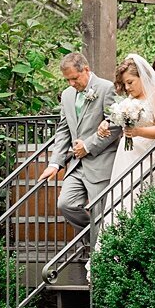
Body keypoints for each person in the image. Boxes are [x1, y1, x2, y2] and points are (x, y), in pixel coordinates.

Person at [41, 51, 118, 237]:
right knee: (65, 204)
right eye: (67, 80)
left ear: (86, 69)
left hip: (101, 162)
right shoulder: (67, 95)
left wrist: (88, 146)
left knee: (102, 214)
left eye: (74, 78)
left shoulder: (106, 88)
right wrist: (54, 163)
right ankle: (94, 239)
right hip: (76, 165)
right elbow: (63, 130)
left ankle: (100, 254)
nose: (71, 84)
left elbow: (115, 124)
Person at [97, 52, 155, 222]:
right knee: (122, 193)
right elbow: (119, 118)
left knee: (141, 194)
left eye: (130, 82)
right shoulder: (130, 99)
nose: (127, 88)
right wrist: (107, 122)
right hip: (127, 155)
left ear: (142, 77)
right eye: (125, 84)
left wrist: (139, 132)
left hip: (150, 154)